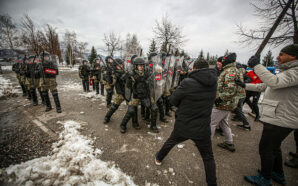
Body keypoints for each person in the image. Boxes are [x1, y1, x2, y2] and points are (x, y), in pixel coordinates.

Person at [241, 44, 298, 186]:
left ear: (293, 56)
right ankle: (277, 173)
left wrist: (257, 66)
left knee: (266, 148)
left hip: (282, 117)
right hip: (279, 115)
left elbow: (274, 82)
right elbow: (265, 86)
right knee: (274, 147)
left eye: (282, 54)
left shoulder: (296, 71)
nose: (278, 57)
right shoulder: (289, 71)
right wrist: (243, 85)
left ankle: (265, 179)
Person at [155, 59, 217, 186]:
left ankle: (159, 158)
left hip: (185, 123)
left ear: (194, 69)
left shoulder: (188, 82)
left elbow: (173, 100)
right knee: (208, 157)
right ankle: (212, 183)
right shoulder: (214, 82)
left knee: (171, 141)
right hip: (202, 126)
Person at [210, 53, 243, 152]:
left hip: (223, 104)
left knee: (211, 123)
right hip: (228, 103)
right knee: (224, 123)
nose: (222, 61)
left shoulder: (230, 71)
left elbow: (230, 89)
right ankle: (229, 143)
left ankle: (206, 144)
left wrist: (219, 99)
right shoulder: (232, 70)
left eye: (224, 60)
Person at [120, 57, 153, 133]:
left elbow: (152, 80)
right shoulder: (132, 74)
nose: (141, 67)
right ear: (135, 66)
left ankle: (150, 122)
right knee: (131, 110)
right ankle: (123, 125)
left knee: (151, 107)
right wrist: (128, 78)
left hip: (144, 95)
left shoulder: (146, 73)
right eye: (139, 65)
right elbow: (127, 86)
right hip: (135, 95)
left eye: (142, 65)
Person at [104, 59, 126, 124]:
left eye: (122, 65)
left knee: (132, 108)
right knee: (114, 106)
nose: (121, 66)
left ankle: (134, 122)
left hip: (127, 93)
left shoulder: (124, 71)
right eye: (119, 65)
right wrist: (109, 75)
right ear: (115, 66)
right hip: (120, 93)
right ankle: (107, 117)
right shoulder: (114, 73)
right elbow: (111, 82)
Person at [232, 63, 251, 130]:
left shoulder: (239, 73)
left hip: (240, 95)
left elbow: (249, 79)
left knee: (237, 109)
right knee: (238, 109)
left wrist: (243, 83)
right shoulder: (240, 73)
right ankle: (244, 122)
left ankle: (246, 124)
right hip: (240, 94)